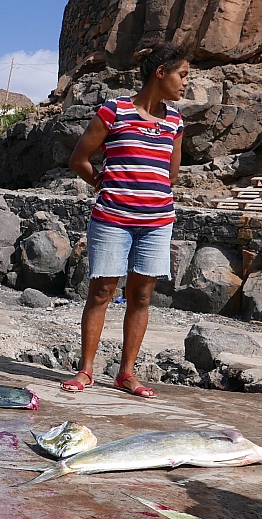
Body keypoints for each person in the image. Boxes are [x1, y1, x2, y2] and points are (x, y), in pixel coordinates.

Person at [62, 39, 190, 398]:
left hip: (157, 222)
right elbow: (79, 159)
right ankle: (86, 371)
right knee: (102, 291)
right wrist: (101, 180)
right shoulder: (114, 111)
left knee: (142, 297)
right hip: (112, 218)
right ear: (160, 73)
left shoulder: (176, 121)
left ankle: (126, 374)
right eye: (182, 75)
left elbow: (171, 175)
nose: (185, 83)